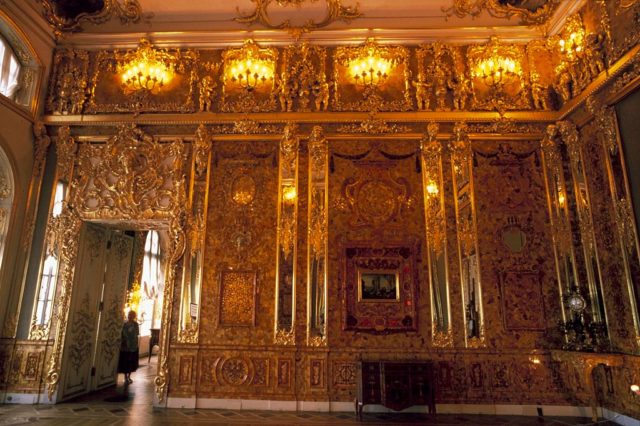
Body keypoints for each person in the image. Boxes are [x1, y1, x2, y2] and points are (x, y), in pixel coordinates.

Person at [118, 310, 140, 386]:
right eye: (128, 314)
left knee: (131, 361)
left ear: (134, 316)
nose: (129, 316)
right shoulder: (124, 324)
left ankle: (129, 376)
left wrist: (134, 344)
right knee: (125, 361)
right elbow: (121, 333)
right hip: (124, 345)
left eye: (131, 315)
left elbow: (136, 334)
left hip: (132, 345)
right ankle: (125, 376)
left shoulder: (135, 324)